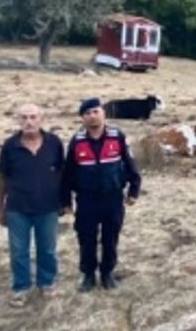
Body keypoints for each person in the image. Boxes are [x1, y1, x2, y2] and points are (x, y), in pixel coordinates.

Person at [60, 96, 141, 292]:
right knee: (86, 238)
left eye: (96, 111)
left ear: (103, 113)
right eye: (87, 113)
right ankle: (88, 274)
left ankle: (107, 273)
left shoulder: (117, 136)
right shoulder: (77, 141)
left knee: (110, 237)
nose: (92, 116)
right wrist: (66, 200)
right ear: (82, 118)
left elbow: (130, 164)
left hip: (112, 197)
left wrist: (134, 190)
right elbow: (68, 173)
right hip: (86, 199)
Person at [0, 103, 63, 306]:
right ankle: (21, 287)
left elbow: (62, 173)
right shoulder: (9, 146)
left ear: (41, 119)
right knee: (19, 251)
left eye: (33, 117)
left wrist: (64, 201)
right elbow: (2, 178)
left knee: (48, 249)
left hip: (48, 206)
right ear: (17, 120)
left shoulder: (54, 143)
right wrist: (0, 208)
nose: (28, 122)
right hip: (18, 208)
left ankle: (46, 282)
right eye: (23, 117)